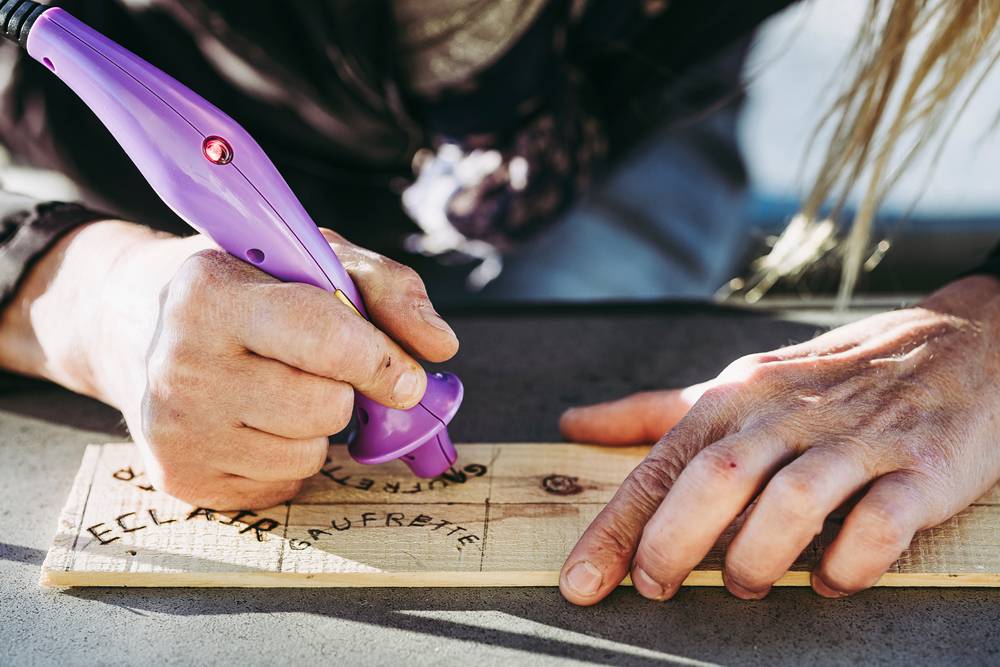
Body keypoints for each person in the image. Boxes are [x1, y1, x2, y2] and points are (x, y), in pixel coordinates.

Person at [0, 0, 997, 605]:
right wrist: (79, 297)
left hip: (623, 127)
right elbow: (69, 285)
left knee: (611, 343)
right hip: (101, 186)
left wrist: (986, 333)